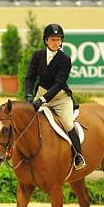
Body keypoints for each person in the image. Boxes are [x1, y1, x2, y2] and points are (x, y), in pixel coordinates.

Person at [24, 23, 86, 170]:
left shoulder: (65, 60)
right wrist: (28, 95)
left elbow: (59, 83)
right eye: (52, 39)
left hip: (60, 97)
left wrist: (42, 101)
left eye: (58, 40)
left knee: (67, 122)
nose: (56, 43)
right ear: (46, 40)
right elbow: (30, 78)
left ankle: (78, 156)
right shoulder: (37, 56)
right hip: (40, 92)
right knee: (26, 120)